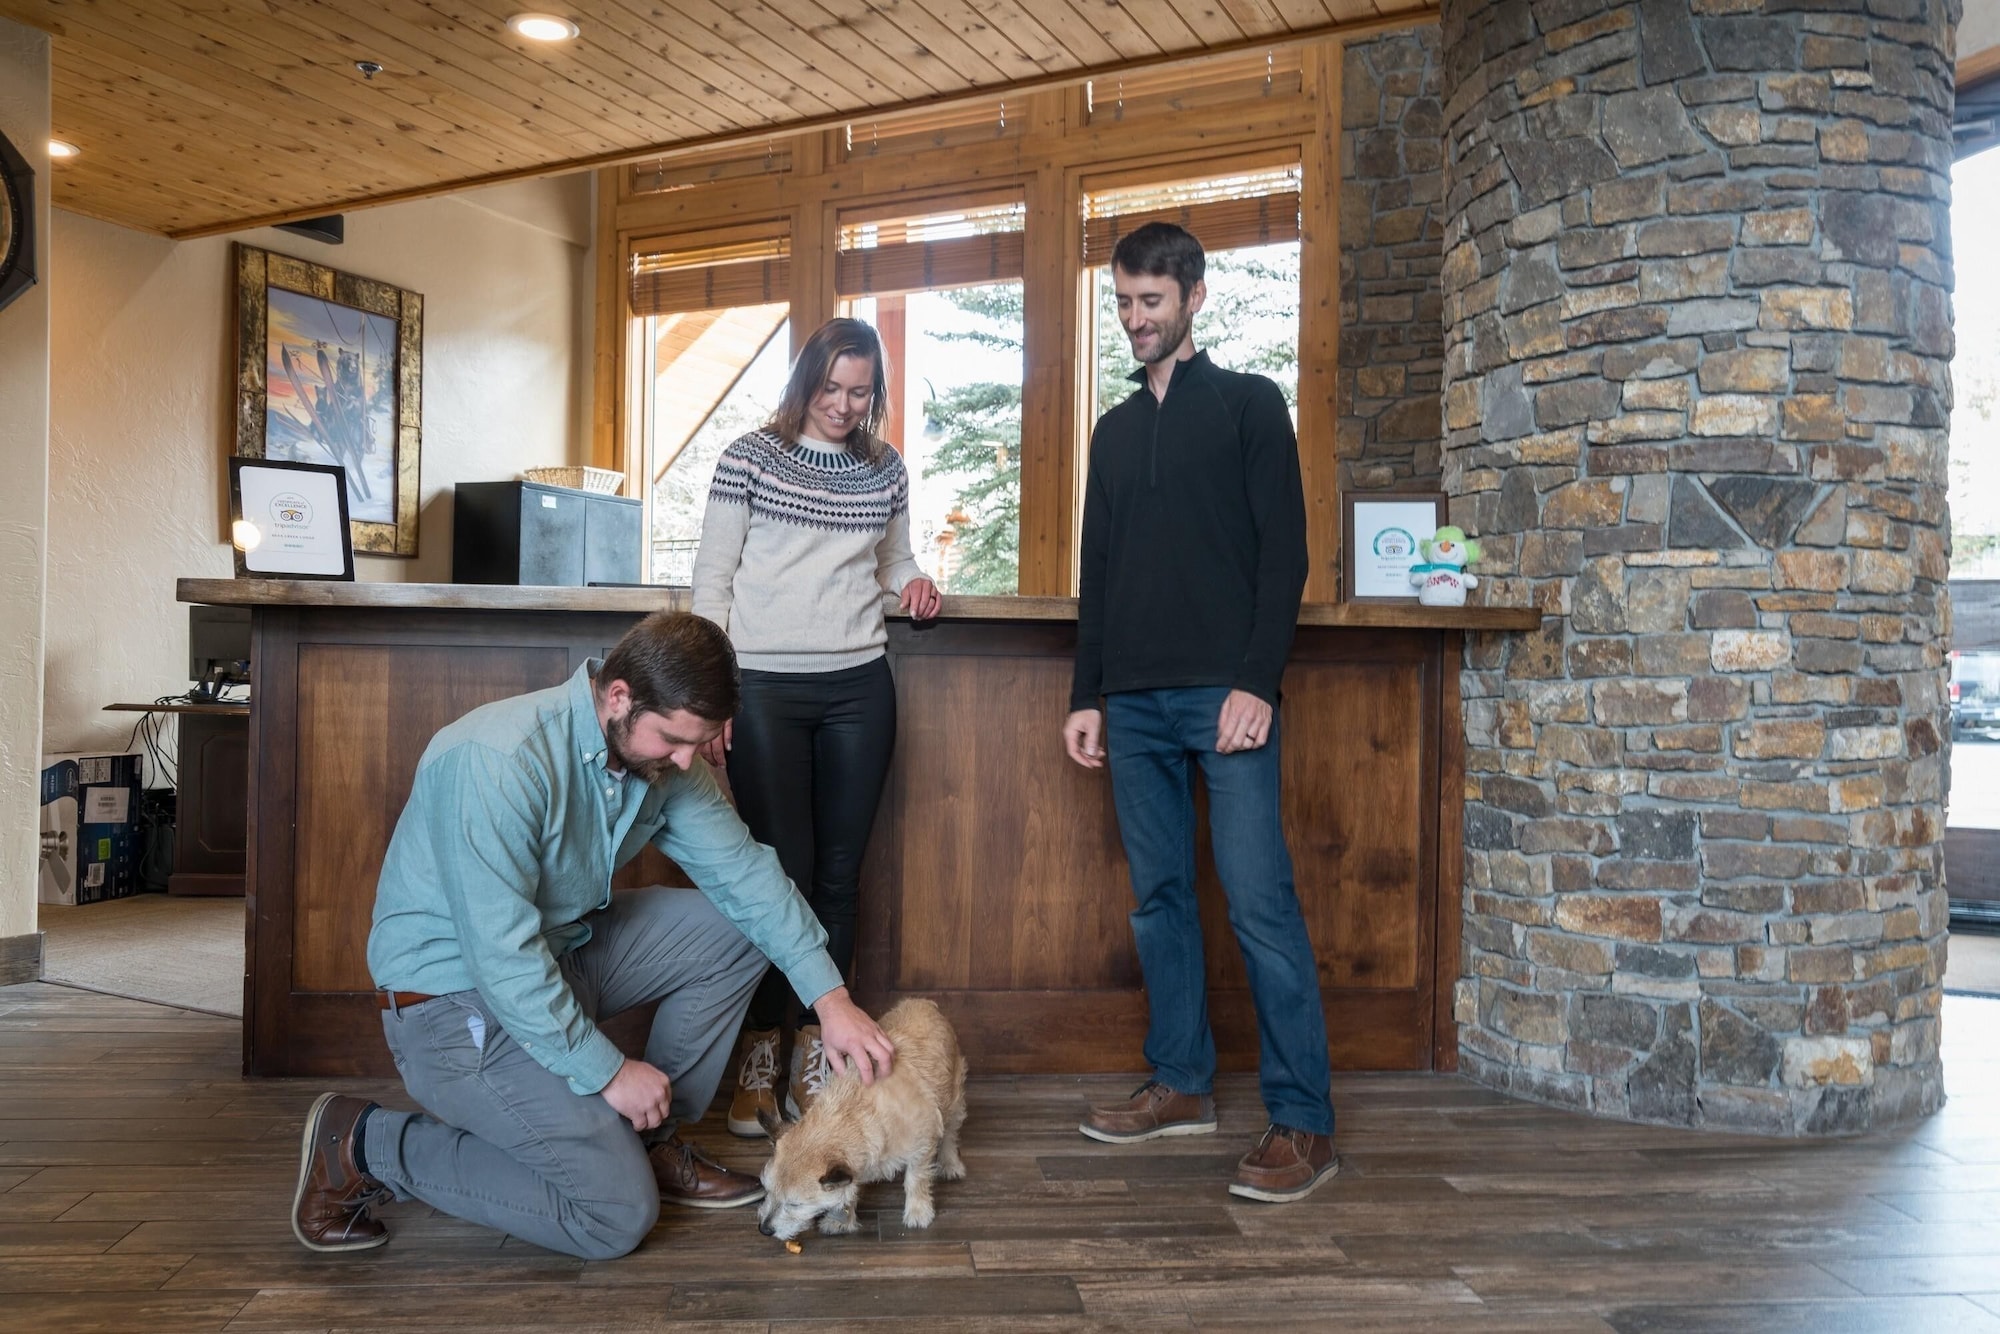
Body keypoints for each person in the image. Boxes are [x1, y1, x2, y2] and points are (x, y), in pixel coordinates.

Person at [289, 611, 896, 1261]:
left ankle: (647, 1139)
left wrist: (831, 1001)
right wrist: (607, 1072)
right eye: (674, 739)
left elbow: (746, 877)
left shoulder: (664, 756)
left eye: (701, 741)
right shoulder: (496, 760)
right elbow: (503, 960)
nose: (690, 760)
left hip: (562, 955)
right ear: (618, 698)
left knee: (740, 929)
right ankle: (364, 1143)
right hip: (452, 1003)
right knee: (614, 1215)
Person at [1061, 222, 1337, 1203]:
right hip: (1129, 703)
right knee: (1159, 901)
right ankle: (1179, 1081)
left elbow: (1284, 559)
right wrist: (1084, 693)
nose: (1134, 319)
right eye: (1124, 302)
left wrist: (1256, 683)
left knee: (1259, 903)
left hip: (1226, 698)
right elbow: (1097, 574)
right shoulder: (1112, 428)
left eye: (1150, 301)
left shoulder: (1250, 404)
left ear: (1192, 297)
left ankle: (1302, 1116)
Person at [689, 317, 941, 1136]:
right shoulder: (750, 459)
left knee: (838, 877)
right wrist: (715, 697)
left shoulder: (885, 468)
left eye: (860, 391)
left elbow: (891, 560)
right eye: (831, 388)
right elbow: (713, 581)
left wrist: (915, 584)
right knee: (779, 879)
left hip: (859, 687)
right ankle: (761, 1050)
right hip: (763, 688)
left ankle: (815, 1052)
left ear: (876, 392)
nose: (843, 404)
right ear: (807, 383)